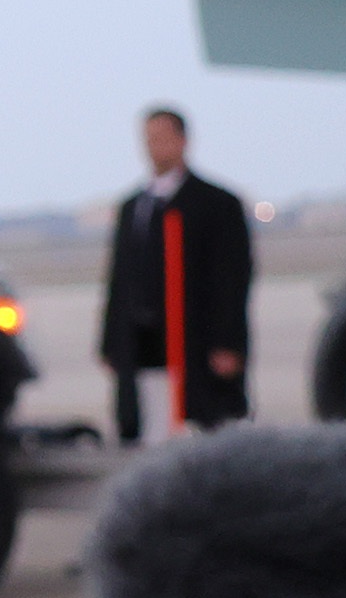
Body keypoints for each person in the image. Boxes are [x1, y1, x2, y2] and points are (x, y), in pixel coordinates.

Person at [103, 102, 255, 441]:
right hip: (143, 342)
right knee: (147, 425)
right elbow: (120, 277)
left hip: (197, 341)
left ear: (183, 140)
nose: (153, 146)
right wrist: (111, 341)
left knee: (206, 424)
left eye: (161, 137)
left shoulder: (217, 203)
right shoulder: (134, 207)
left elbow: (232, 278)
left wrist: (228, 342)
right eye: (148, 138)